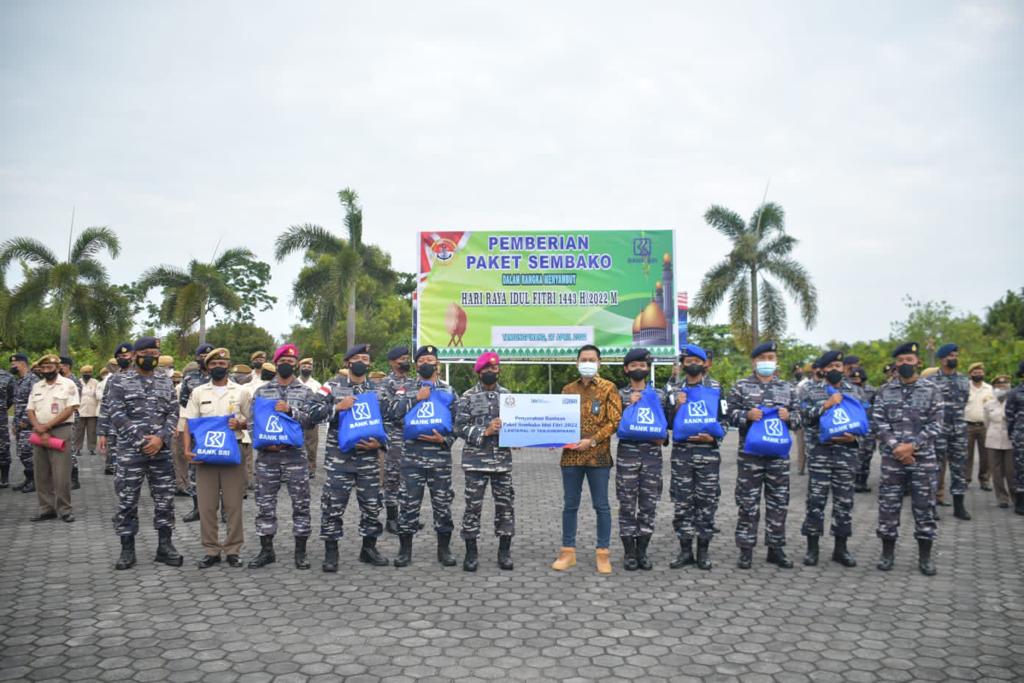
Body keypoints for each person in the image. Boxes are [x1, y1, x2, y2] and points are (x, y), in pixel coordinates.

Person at [247, 344, 331, 570]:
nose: (287, 364)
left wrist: (290, 411)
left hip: (295, 457)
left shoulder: (305, 392)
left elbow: (312, 422)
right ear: (276, 363)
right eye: (283, 360)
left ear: (296, 364)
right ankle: (266, 551)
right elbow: (252, 422)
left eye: (291, 361)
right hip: (267, 457)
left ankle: (300, 552)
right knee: (265, 505)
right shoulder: (262, 391)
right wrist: (264, 441)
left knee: (301, 505)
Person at [104, 337, 183, 570]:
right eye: (146, 352)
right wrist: (141, 441)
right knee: (127, 500)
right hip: (131, 452)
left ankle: (165, 546)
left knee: (165, 500)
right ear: (135, 354)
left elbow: (173, 412)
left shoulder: (165, 382)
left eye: (155, 352)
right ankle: (127, 549)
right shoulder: (119, 381)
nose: (151, 356)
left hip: (161, 452)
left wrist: (160, 438)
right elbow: (116, 414)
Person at [727, 341, 801, 570]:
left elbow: (801, 418)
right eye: (764, 357)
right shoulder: (740, 387)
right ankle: (746, 550)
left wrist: (789, 416)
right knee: (748, 503)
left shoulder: (787, 388)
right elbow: (728, 415)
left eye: (771, 357)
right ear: (754, 361)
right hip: (750, 457)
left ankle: (776, 549)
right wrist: (746, 415)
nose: (768, 361)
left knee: (778, 503)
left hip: (778, 458)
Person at [873, 341, 943, 575]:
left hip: (923, 460)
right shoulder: (885, 390)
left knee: (924, 508)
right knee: (888, 507)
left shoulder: (932, 390)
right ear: (896, 363)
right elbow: (879, 422)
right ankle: (887, 554)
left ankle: (925, 558)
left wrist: (912, 446)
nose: (905, 364)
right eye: (901, 361)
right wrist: (897, 447)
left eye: (909, 361)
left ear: (918, 362)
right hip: (893, 460)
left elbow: (937, 424)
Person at [552, 345, 622, 575]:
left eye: (592, 359)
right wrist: (549, 437)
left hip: (598, 457)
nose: (588, 362)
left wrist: (591, 441)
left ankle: (603, 553)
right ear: (577, 362)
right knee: (570, 505)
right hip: (571, 457)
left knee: (601, 505)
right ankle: (567, 552)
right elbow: (557, 420)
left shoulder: (609, 388)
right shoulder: (567, 389)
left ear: (599, 363)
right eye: (584, 359)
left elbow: (614, 421)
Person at [317, 344, 389, 572]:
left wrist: (382, 443)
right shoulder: (330, 387)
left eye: (365, 358)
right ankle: (331, 552)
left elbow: (390, 422)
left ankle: (369, 548)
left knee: (372, 506)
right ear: (348, 362)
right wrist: (338, 407)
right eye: (356, 358)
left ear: (369, 363)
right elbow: (311, 414)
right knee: (333, 507)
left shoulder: (378, 390)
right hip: (340, 460)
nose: (361, 361)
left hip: (368, 460)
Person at [390, 345, 459, 568]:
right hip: (412, 457)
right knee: (409, 505)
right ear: (417, 364)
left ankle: (444, 549)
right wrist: (415, 399)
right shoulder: (405, 388)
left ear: (437, 364)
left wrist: (445, 440)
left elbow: (459, 422)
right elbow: (392, 414)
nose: (426, 363)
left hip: (439, 458)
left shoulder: (448, 391)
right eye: (422, 360)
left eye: (430, 359)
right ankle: (404, 550)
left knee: (442, 505)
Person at [182, 348, 251, 568]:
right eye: (213, 364)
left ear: (228, 366)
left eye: (222, 363)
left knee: (233, 505)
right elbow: (188, 423)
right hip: (206, 456)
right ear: (206, 367)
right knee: (207, 506)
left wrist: (241, 424)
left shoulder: (241, 392)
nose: (218, 367)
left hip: (234, 453)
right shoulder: (198, 392)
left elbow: (254, 421)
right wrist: (186, 451)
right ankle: (211, 550)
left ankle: (233, 550)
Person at [799, 350, 863, 567]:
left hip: (846, 455)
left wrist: (854, 438)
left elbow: (865, 424)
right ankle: (812, 548)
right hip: (820, 454)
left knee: (844, 502)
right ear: (823, 369)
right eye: (831, 366)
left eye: (839, 366)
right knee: (816, 502)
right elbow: (803, 418)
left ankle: (841, 548)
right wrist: (825, 405)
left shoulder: (855, 391)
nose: (835, 370)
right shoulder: (810, 391)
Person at [454, 352, 515, 571]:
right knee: (472, 507)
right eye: (486, 369)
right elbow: (459, 427)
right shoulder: (467, 396)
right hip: (475, 462)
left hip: (501, 461)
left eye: (494, 368)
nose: (490, 372)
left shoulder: (508, 396)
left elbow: (517, 423)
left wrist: (519, 436)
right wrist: (485, 431)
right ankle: (471, 552)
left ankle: (504, 551)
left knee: (505, 506)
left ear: (499, 370)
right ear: (479, 372)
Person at [668, 344, 727, 571]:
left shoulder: (716, 388)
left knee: (706, 504)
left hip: (708, 455)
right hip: (682, 454)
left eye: (696, 360)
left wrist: (712, 439)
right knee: (682, 503)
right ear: (683, 364)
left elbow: (725, 420)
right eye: (688, 360)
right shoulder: (675, 390)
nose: (692, 364)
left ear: (703, 363)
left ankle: (703, 551)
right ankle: (685, 551)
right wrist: (676, 407)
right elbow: (666, 422)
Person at [615, 348, 669, 571]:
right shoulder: (618, 395)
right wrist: (628, 406)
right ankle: (629, 552)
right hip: (627, 456)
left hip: (652, 458)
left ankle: (642, 551)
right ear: (626, 369)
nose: (639, 369)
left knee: (648, 505)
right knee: (627, 504)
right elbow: (611, 424)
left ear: (648, 368)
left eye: (643, 365)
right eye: (634, 365)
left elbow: (668, 425)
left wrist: (663, 439)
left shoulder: (660, 395)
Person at [27, 354, 80, 522]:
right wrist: (38, 427)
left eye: (49, 368)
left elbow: (70, 408)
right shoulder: (37, 386)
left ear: (57, 368)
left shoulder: (68, 384)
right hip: (39, 432)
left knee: (61, 473)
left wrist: (47, 426)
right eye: (43, 368)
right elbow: (30, 409)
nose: (46, 371)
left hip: (60, 430)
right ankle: (46, 509)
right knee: (41, 473)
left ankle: (65, 509)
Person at [930, 343, 971, 520]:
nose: (954, 358)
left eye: (956, 355)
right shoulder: (930, 381)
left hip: (959, 430)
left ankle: (959, 507)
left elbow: (964, 401)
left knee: (959, 468)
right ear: (942, 359)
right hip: (938, 430)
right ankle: (930, 506)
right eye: (950, 356)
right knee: (934, 468)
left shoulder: (963, 380)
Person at [178, 344, 213, 523]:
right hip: (196, 430)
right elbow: (184, 402)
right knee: (195, 469)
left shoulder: (226, 377)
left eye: (209, 355)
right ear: (196, 357)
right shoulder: (189, 378)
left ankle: (222, 510)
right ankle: (197, 508)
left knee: (221, 466)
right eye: (202, 355)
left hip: (218, 431)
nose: (205, 358)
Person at [381, 346, 413, 534]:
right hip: (394, 436)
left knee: (408, 479)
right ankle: (391, 519)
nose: (405, 361)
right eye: (401, 358)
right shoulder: (386, 384)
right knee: (392, 477)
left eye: (407, 358)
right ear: (392, 362)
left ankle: (407, 517)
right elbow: (388, 411)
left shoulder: (414, 382)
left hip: (412, 437)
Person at [984, 375, 1015, 509]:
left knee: (1011, 471)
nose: (1002, 388)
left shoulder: (1015, 401)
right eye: (999, 386)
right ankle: (1002, 498)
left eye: (1005, 385)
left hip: (1011, 440)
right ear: (994, 388)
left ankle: (1016, 497)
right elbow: (986, 422)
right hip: (993, 439)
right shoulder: (989, 404)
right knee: (996, 471)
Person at [965, 362, 994, 491]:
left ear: (984, 373)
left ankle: (985, 479)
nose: (978, 374)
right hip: (967, 425)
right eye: (975, 373)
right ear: (970, 374)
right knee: (966, 454)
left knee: (986, 454)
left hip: (984, 426)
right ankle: (965, 479)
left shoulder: (989, 389)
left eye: (980, 372)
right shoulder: (965, 387)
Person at [850, 367, 877, 493]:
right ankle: (853, 482)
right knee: (856, 455)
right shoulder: (848, 390)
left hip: (869, 427)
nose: (855, 381)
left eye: (857, 378)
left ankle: (863, 482)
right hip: (854, 427)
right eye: (853, 378)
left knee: (867, 455)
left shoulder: (872, 391)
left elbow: (877, 408)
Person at [58, 356, 83, 490]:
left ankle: (74, 478)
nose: (59, 368)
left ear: (68, 366)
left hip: (71, 418)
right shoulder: (59, 380)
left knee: (70, 448)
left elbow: (74, 404)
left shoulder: (73, 381)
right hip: (60, 418)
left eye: (61, 365)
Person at [1004, 361, 1024, 516]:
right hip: (1021, 436)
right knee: (1020, 469)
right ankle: (1020, 501)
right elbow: (1009, 416)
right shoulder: (1015, 393)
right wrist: (1013, 434)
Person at [297, 357, 322, 479]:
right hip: (294, 418)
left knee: (311, 444)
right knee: (294, 443)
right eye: (304, 367)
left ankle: (311, 467)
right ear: (299, 367)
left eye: (309, 367)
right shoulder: (294, 382)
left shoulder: (316, 384)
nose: (306, 369)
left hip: (311, 418)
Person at [75, 365, 100, 460]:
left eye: (89, 372)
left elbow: (98, 396)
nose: (87, 374)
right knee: (78, 431)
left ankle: (92, 448)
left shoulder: (95, 382)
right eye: (85, 373)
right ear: (82, 373)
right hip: (80, 410)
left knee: (92, 431)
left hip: (92, 410)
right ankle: (77, 448)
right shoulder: (78, 382)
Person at [0, 360, 18, 488]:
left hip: (0, 420)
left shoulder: (7, 377)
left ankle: (4, 478)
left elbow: (12, 398)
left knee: (3, 447)